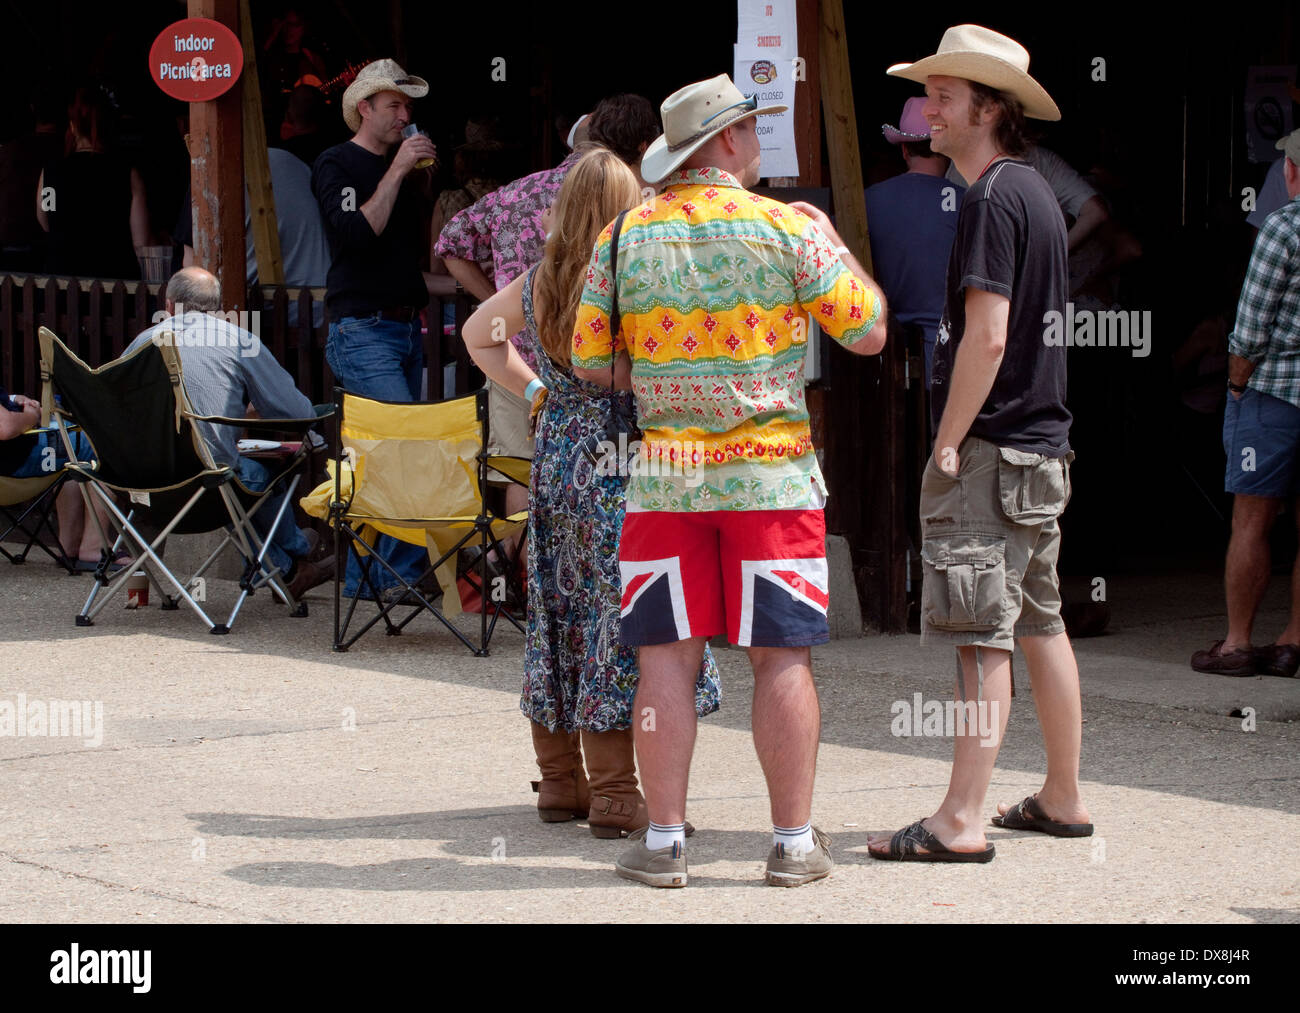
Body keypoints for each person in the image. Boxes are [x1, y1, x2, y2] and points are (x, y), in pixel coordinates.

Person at [571, 75, 887, 888]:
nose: (758, 142)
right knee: (780, 661)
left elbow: (587, 359)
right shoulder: (787, 228)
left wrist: (661, 370)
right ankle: (790, 844)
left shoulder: (622, 237)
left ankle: (667, 841)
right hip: (772, 483)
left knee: (663, 665)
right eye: (750, 128)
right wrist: (836, 242)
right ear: (725, 143)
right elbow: (867, 332)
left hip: (666, 485)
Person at [866, 25, 1092, 863]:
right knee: (1040, 620)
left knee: (977, 632)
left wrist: (948, 444)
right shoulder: (1031, 190)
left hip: (994, 446)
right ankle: (1063, 796)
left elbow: (986, 337)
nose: (929, 107)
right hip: (1040, 449)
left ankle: (959, 818)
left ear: (988, 108)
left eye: (944, 96)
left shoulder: (993, 196)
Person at [463, 148, 721, 839]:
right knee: (622, 617)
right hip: (625, 458)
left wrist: (537, 389)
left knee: (556, 605)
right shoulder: (636, 275)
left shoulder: (540, 278)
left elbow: (476, 335)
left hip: (558, 456)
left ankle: (560, 781)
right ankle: (614, 794)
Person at [437, 94, 663, 571]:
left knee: (561, 578)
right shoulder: (644, 264)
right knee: (631, 585)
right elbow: (606, 368)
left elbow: (453, 246)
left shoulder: (538, 257)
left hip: (552, 419)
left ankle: (514, 579)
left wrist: (534, 384)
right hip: (628, 444)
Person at [126, 268, 331, 601]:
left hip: (146, 488)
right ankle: (292, 558)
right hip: (212, 485)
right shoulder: (238, 340)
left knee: (241, 471)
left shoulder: (141, 343)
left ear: (169, 302)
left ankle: (293, 563)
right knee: (266, 467)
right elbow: (298, 413)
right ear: (217, 306)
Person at [311, 58, 437, 600]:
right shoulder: (335, 163)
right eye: (394, 106)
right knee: (403, 443)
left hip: (404, 327)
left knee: (377, 452)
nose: (404, 116)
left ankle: (367, 577)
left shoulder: (407, 175)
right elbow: (359, 234)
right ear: (364, 108)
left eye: (408, 107)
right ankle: (398, 575)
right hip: (361, 327)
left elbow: (409, 253)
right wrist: (398, 169)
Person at [1192, 128, 1300, 680]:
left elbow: (1250, 326)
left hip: (1274, 395)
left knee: (1252, 521)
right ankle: (1292, 642)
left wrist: (1235, 386)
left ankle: (1237, 644)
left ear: (1292, 174)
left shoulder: (1285, 226)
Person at [866, 96, 964, 386]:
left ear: (905, 149)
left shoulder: (867, 201)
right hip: (950, 353)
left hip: (881, 354)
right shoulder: (967, 202)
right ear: (945, 150)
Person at [37, 84, 150, 279]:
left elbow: (46, 219)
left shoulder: (51, 173)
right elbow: (141, 243)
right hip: (114, 285)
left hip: (59, 285)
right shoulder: (127, 174)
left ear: (72, 126)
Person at [1, 385, 116, 570]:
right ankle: (94, 547)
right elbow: (5, 428)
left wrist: (12, 400)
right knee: (103, 444)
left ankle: (69, 545)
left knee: (69, 443)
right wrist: (32, 415)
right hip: (13, 464)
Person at [0, 86, 64, 273]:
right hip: (54, 251)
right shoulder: (66, 152)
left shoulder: (10, 152)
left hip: (12, 247)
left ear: (33, 109)